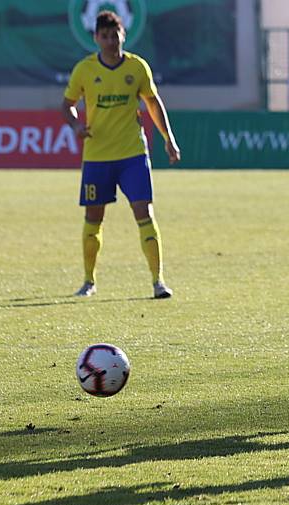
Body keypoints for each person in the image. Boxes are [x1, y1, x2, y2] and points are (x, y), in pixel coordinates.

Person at [61, 10, 180, 299]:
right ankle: (89, 281)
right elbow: (67, 105)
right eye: (105, 36)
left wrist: (168, 139)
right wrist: (76, 124)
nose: (111, 41)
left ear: (123, 35)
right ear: (96, 38)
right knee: (93, 217)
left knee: (144, 212)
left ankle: (158, 281)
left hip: (132, 154)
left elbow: (153, 103)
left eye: (115, 35)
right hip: (98, 156)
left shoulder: (137, 67)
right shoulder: (85, 70)